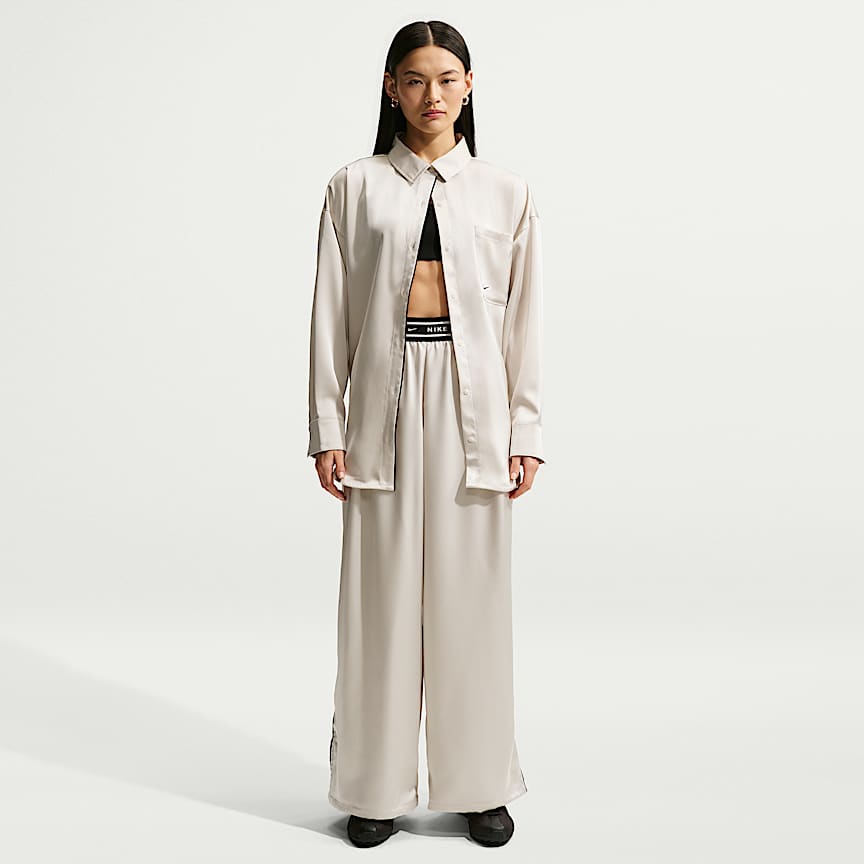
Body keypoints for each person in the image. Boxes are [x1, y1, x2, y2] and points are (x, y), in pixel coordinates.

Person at [307, 19, 544, 848]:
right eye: (414, 79)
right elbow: (330, 313)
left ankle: (479, 786)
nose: (431, 94)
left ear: (469, 86)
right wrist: (327, 424)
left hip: (476, 412)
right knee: (378, 606)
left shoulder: (506, 193)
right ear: (391, 88)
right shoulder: (354, 187)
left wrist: (525, 428)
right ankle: (374, 789)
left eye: (447, 78)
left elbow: (523, 321)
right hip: (383, 404)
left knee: (472, 602)